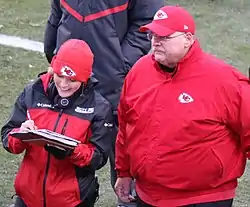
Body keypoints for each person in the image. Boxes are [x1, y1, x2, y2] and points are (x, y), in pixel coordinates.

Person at [115, 5, 250, 207]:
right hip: (148, 195)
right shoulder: (139, 72)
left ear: (188, 39)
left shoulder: (223, 80)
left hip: (205, 199)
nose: (155, 42)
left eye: (164, 37)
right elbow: (126, 125)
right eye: (152, 36)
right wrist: (124, 171)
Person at [43, 1, 165, 206]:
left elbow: (147, 20)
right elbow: (57, 11)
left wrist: (120, 64)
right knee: (62, 156)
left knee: (125, 164)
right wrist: (54, 50)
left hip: (115, 87)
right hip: (70, 83)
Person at [1, 39, 113, 207]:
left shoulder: (99, 107)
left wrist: (71, 151)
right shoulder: (33, 92)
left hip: (72, 201)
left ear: (85, 78)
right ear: (53, 68)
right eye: (60, 75)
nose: (64, 84)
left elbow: (98, 158)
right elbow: (7, 139)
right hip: (28, 198)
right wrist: (21, 134)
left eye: (72, 80)